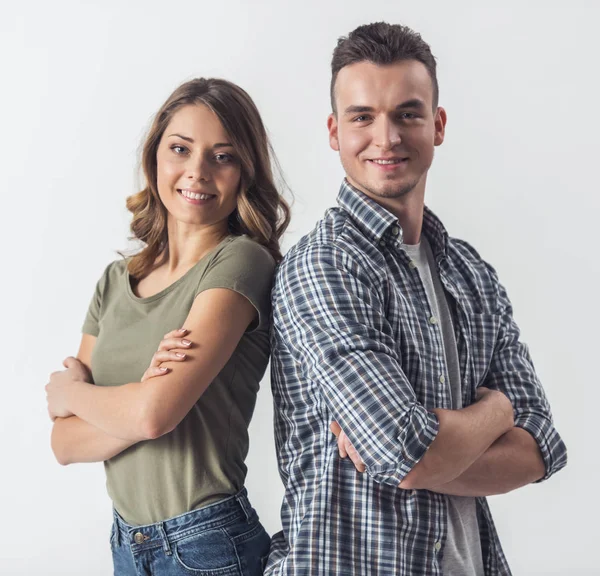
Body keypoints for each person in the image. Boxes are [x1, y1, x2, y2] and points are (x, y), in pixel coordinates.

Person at [266, 22, 567, 576]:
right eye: (362, 117)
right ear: (334, 132)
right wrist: (495, 411)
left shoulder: (470, 273)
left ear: (438, 124)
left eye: (408, 113)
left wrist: (427, 453)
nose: (387, 138)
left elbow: (540, 447)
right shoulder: (325, 266)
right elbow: (405, 452)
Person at [47, 77, 290, 576]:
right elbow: (65, 444)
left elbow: (153, 417)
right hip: (125, 539)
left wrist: (72, 394)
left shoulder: (241, 262)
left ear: (245, 171)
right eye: (181, 149)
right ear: (156, 155)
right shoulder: (116, 281)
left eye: (222, 156)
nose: (197, 172)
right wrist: (140, 402)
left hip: (206, 544)